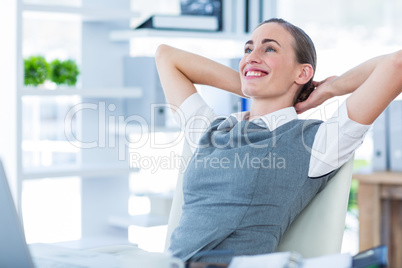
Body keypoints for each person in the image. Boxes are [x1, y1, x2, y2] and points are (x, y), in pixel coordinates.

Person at [155, 18, 402, 264]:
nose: (252, 56)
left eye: (269, 48)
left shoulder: (315, 143)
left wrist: (330, 89)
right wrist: (254, 79)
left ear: (303, 72)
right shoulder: (211, 129)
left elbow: (397, 64)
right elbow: (166, 57)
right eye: (248, 49)